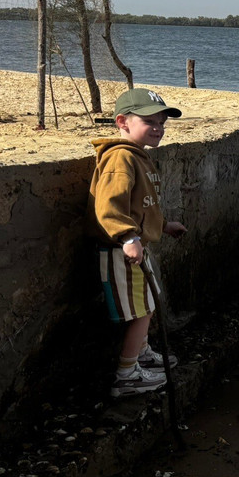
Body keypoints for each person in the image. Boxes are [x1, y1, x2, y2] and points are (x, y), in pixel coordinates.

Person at [87, 87, 188, 398]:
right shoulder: (120, 159)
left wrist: (163, 225)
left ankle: (141, 353)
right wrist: (128, 237)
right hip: (122, 251)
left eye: (161, 123)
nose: (158, 129)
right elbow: (109, 206)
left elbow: (142, 206)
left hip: (135, 247)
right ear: (122, 122)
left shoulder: (138, 157)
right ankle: (127, 375)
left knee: (148, 304)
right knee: (141, 312)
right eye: (149, 122)